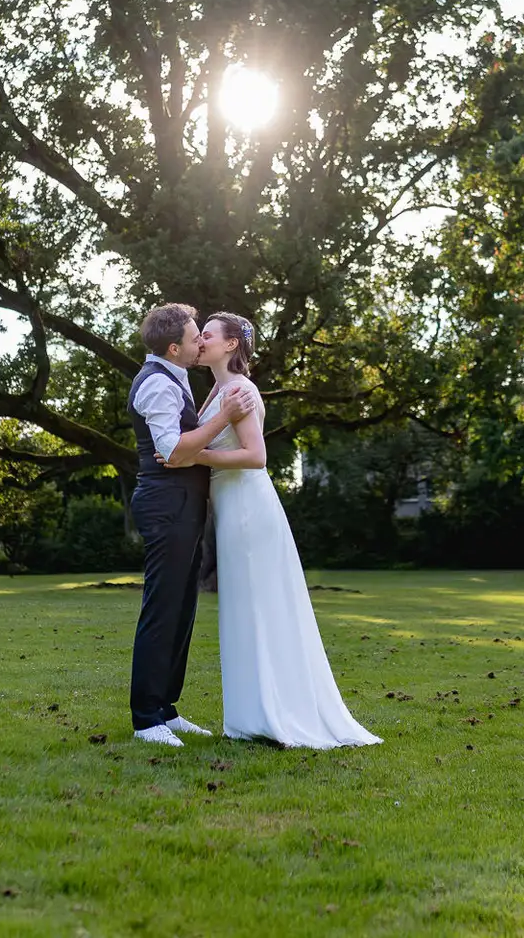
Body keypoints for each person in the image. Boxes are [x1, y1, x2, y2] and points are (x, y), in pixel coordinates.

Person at [166, 312, 381, 749]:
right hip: (231, 509)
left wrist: (197, 458)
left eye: (208, 335)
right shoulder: (217, 392)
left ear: (230, 345)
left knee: (259, 609)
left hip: (248, 508)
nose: (200, 340)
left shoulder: (240, 389)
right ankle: (252, 716)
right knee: (244, 611)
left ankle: (274, 715)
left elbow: (256, 456)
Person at [125, 302, 255, 747]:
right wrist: (223, 417)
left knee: (182, 608)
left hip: (183, 504)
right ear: (174, 346)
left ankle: (166, 708)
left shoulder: (176, 377)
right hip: (166, 505)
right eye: (195, 334)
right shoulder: (157, 386)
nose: (202, 340)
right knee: (162, 609)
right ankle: (146, 719)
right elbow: (175, 451)